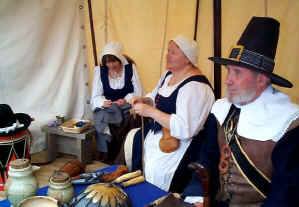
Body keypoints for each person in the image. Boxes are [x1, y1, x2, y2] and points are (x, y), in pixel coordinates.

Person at [182, 17, 299, 207]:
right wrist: (197, 197)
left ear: (261, 79)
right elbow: (206, 159)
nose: (228, 80)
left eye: (237, 73)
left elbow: (285, 194)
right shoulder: (221, 110)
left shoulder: (288, 123)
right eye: (228, 71)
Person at [129, 34, 215, 193]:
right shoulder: (168, 75)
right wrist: (145, 100)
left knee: (157, 170)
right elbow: (156, 96)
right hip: (159, 134)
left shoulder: (195, 87)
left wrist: (150, 112)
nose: (167, 55)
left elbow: (185, 129)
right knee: (138, 142)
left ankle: (161, 198)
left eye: (173, 52)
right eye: (168, 51)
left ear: (187, 58)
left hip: (181, 144)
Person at [90, 42, 143, 163]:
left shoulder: (130, 69)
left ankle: (125, 154)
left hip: (127, 104)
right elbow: (95, 96)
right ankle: (107, 155)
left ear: (119, 59)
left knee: (131, 117)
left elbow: (139, 92)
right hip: (109, 106)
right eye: (108, 62)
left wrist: (126, 99)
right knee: (102, 116)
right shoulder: (100, 71)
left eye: (113, 61)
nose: (111, 65)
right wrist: (104, 102)